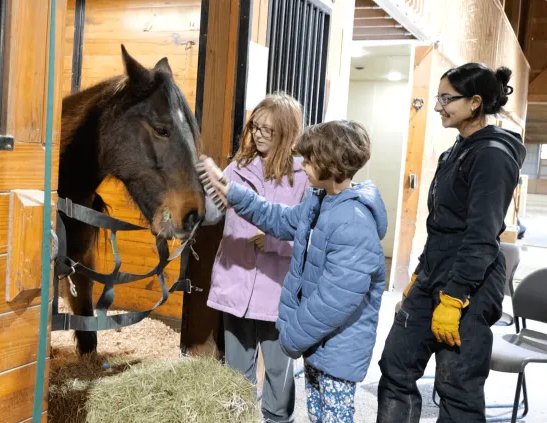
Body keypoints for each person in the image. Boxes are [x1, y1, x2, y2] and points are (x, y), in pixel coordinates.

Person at [202, 119, 388, 423]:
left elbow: (335, 300)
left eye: (311, 159)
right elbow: (275, 217)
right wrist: (230, 191)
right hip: (320, 342)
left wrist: (291, 336)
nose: (303, 167)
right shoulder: (321, 202)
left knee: (334, 418)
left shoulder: (353, 220)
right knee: (317, 415)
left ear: (332, 162)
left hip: (339, 347)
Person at [376, 63, 526, 423]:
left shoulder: (492, 155)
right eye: (438, 97)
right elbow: (441, 225)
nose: (439, 106)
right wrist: (419, 276)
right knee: (396, 367)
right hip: (433, 276)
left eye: (447, 98)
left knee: (457, 386)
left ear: (475, 102)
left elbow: (481, 235)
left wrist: (455, 296)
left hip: (469, 284)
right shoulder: (456, 150)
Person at [204, 93, 308, 423]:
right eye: (255, 126)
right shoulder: (237, 168)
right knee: (236, 370)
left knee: (278, 372)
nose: (258, 134)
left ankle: (278, 420)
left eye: (268, 129)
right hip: (234, 283)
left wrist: (275, 241)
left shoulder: (303, 176)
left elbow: (309, 235)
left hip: (277, 291)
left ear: (287, 132)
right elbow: (212, 211)